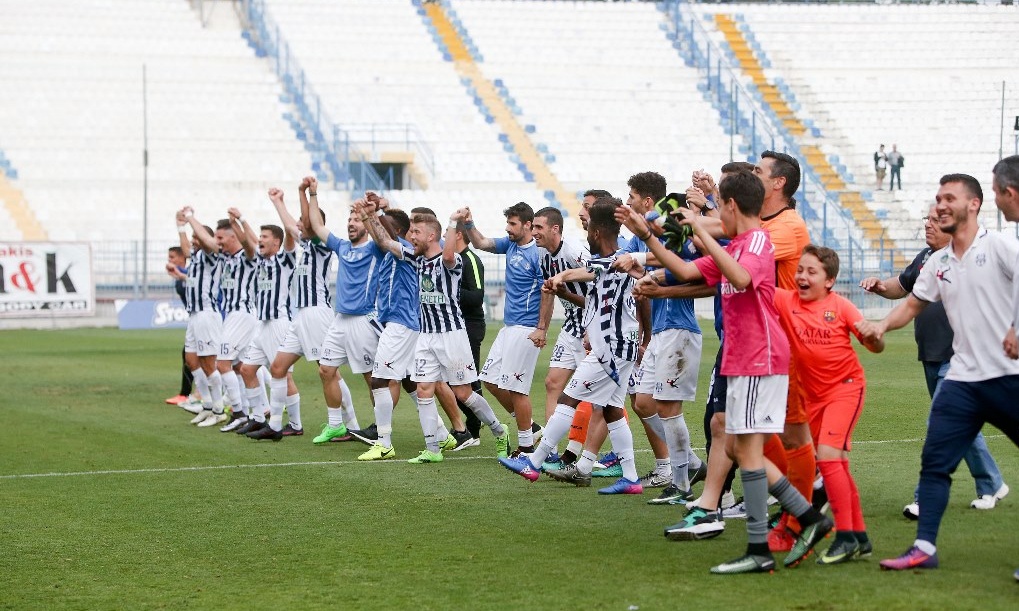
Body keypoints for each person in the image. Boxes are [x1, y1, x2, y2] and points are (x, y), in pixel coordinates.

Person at [617, 170, 832, 574]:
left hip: (759, 359)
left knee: (746, 450)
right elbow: (684, 271)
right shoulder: (737, 243)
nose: (716, 216)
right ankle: (801, 521)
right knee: (740, 449)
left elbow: (741, 276)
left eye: (720, 210)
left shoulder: (756, 243)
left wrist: (701, 228)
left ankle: (781, 533)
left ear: (731, 206)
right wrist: (647, 237)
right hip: (742, 360)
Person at [861, 173, 1019, 573]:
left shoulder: (998, 247)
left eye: (950, 198)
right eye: (937, 198)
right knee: (935, 462)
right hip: (963, 380)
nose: (941, 205)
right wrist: (881, 325)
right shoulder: (938, 261)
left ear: (974, 204)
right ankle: (924, 548)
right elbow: (912, 304)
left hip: (1008, 376)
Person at [500, 196, 645, 496]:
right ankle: (630, 477)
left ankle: (535, 462)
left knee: (568, 399)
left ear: (595, 233)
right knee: (613, 409)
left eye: (588, 225)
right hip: (620, 345)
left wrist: (564, 275)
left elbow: (593, 271)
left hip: (611, 349)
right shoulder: (615, 261)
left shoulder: (617, 261)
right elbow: (594, 277)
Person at [359, 201, 510, 463]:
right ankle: (433, 449)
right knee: (424, 389)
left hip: (452, 335)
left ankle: (499, 430)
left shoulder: (451, 261)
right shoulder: (416, 259)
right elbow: (386, 243)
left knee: (464, 393)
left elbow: (449, 256)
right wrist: (371, 215)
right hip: (426, 336)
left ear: (431, 236)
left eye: (416, 233)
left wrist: (453, 222)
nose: (411, 237)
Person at [774, 245, 884, 564]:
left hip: (846, 389)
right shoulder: (786, 301)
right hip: (814, 399)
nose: (803, 277)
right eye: (800, 270)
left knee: (828, 457)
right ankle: (859, 535)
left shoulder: (842, 307)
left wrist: (874, 336)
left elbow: (876, 346)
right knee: (834, 465)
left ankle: (845, 537)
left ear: (830, 280)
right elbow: (750, 283)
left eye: (812, 272)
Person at [239, 178, 348, 439]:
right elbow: (290, 225)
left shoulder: (321, 246)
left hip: (316, 312)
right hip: (300, 316)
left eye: (303, 221)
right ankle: (275, 426)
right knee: (278, 368)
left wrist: (305, 192)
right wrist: (278, 202)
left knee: (328, 370)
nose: (299, 224)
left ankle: (348, 423)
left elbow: (306, 224)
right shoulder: (306, 247)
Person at [754, 150, 816, 552]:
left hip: (789, 339)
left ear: (778, 183)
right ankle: (796, 500)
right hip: (762, 339)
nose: (752, 174)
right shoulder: (763, 221)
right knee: (753, 429)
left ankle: (800, 518)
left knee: (791, 432)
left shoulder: (789, 226)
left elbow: (745, 258)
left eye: (758, 171)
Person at [463, 202, 545, 456]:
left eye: (512, 224)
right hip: (509, 327)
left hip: (526, 328)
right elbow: (481, 243)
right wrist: (468, 223)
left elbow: (547, 293)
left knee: (517, 388)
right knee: (490, 380)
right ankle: (530, 427)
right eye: (507, 223)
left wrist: (541, 327)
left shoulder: (538, 254)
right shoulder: (510, 245)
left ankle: (526, 448)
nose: (508, 229)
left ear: (528, 225)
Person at [306, 179, 383, 444]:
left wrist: (374, 212)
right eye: (349, 220)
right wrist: (312, 193)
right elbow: (316, 226)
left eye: (356, 221)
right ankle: (336, 425)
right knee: (325, 370)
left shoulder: (375, 248)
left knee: (372, 379)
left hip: (363, 320)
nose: (351, 224)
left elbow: (386, 234)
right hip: (339, 319)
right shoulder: (342, 247)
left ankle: (380, 429)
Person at [232, 194, 298, 440]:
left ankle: (295, 423)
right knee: (248, 369)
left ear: (277, 242)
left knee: (282, 373)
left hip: (279, 322)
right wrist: (240, 220)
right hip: (262, 324)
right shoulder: (260, 260)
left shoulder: (285, 260)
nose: (259, 241)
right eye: (259, 237)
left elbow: (290, 237)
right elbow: (248, 240)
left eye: (265, 238)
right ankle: (258, 418)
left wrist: (280, 204)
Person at [529, 206, 589, 466]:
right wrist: (542, 326)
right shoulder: (543, 256)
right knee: (553, 383)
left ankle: (578, 452)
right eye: (532, 227)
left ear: (555, 229)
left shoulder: (575, 252)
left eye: (538, 227)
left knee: (592, 395)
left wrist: (564, 285)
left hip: (591, 327)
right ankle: (549, 450)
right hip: (571, 326)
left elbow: (599, 284)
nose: (534, 232)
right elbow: (548, 290)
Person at [176, 207, 226, 426]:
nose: (194, 241)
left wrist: (190, 218)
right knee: (191, 360)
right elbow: (186, 250)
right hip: (195, 315)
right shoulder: (196, 256)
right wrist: (181, 227)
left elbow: (205, 241)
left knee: (208, 363)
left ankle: (218, 409)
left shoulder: (212, 253)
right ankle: (206, 405)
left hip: (207, 313)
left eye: (197, 237)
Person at [210, 211, 260, 431]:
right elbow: (207, 244)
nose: (217, 241)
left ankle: (238, 412)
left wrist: (239, 221)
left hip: (241, 314)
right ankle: (252, 413)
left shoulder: (246, 258)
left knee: (222, 364)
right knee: (241, 367)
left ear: (233, 237)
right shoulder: (225, 257)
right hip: (233, 315)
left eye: (221, 237)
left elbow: (251, 246)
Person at [164, 246, 195, 408]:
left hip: (210, 318)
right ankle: (189, 394)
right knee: (190, 356)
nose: (170, 261)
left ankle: (190, 394)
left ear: (183, 257)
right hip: (196, 318)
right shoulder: (180, 276)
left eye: (173, 257)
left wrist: (178, 270)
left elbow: (194, 280)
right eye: (169, 258)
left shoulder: (190, 273)